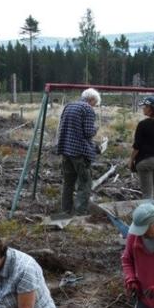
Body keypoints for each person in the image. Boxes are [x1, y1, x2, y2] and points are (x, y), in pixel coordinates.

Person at [56, 87, 101, 216]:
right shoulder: (87, 109)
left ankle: (65, 211)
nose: (94, 106)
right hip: (80, 152)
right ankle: (79, 214)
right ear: (91, 99)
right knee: (85, 184)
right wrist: (95, 129)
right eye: (95, 103)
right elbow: (88, 133)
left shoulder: (69, 106)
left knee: (68, 183)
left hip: (66, 150)